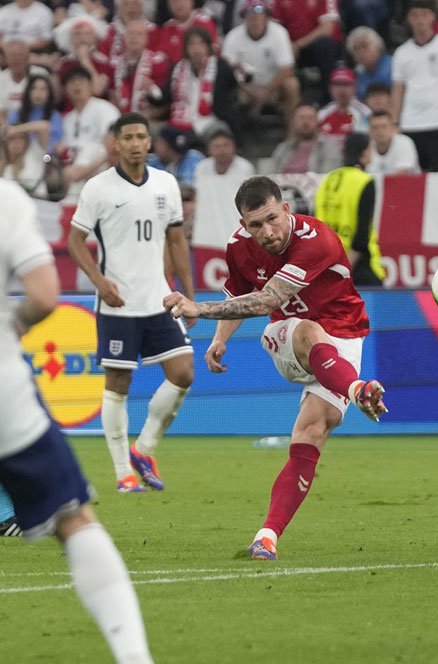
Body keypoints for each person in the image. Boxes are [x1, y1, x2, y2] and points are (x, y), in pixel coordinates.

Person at [162, 175, 388, 560]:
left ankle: (266, 536)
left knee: (314, 430)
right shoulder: (239, 248)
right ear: (242, 225)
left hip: (346, 336)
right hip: (287, 337)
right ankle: (358, 390)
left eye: (271, 219)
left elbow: (267, 297)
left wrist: (199, 308)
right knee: (308, 331)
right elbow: (244, 297)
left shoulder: (317, 240)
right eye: (255, 225)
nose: (266, 232)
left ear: (287, 209)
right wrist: (220, 338)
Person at [1, 177, 154, 664]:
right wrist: (11, 328)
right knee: (73, 519)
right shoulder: (7, 199)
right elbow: (46, 294)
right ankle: (133, 656)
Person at [66, 112, 195, 493]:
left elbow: (176, 241)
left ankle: (145, 449)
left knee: (184, 372)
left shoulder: (167, 184)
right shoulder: (98, 188)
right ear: (116, 144)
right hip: (118, 305)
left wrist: (188, 293)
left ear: (150, 142)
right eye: (128, 137)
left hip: (158, 300)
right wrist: (99, 281)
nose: (136, 143)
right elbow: (75, 241)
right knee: (117, 386)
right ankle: (123, 473)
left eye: (142, 136)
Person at [391, 0, 438, 172]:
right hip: (410, 123)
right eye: (415, 15)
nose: (420, 20)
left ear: (432, 17)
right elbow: (398, 89)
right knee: (414, 173)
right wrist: (395, 120)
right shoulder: (402, 53)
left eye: (424, 15)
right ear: (409, 19)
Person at [314, 133, 385, 286]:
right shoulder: (364, 180)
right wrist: (344, 270)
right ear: (365, 152)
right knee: (381, 306)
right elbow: (361, 235)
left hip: (328, 262)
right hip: (357, 265)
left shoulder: (327, 180)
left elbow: (316, 224)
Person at [222, 0, 300, 123]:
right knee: (222, 85)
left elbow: (287, 69)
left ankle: (291, 135)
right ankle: (231, 132)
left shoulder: (280, 33)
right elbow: (226, 69)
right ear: (244, 16)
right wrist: (249, 91)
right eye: (250, 12)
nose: (254, 16)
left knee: (291, 84)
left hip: (273, 86)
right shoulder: (233, 36)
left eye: (259, 12)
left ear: (266, 16)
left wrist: (266, 90)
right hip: (243, 88)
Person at [165, 26, 241, 138]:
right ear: (186, 48)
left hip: (213, 120)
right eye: (192, 44)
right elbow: (165, 94)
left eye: (201, 44)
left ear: (208, 47)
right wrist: (151, 90)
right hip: (183, 119)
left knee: (219, 132)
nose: (197, 49)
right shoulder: (178, 69)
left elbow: (233, 84)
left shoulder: (221, 67)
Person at [192, 126, 255, 258]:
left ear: (234, 147)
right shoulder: (201, 168)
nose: (222, 149)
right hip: (207, 235)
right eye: (217, 146)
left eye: (226, 145)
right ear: (209, 149)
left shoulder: (245, 168)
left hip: (237, 231)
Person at [110, 18, 171, 117]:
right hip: (119, 117)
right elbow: (111, 95)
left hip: (148, 118)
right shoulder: (114, 64)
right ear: (124, 38)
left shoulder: (157, 62)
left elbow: (165, 99)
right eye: (131, 33)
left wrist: (152, 90)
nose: (135, 38)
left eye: (139, 34)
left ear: (146, 39)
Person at [61, 67, 121, 165]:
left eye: (81, 81)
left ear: (90, 85)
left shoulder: (105, 108)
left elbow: (112, 143)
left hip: (100, 165)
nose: (76, 85)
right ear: (65, 89)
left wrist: (85, 170)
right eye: (72, 82)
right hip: (74, 166)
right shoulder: (67, 119)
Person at [270, 104, 341, 175]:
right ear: (294, 122)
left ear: (317, 122)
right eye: (301, 117)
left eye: (310, 118)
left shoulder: (329, 146)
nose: (306, 121)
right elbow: (272, 175)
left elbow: (328, 176)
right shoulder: (283, 148)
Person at [7, 74, 62, 156]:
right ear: (28, 91)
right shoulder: (15, 113)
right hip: (18, 156)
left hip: (44, 158)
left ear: (49, 94)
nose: (38, 93)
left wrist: (15, 129)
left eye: (43, 89)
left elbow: (52, 143)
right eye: (34, 88)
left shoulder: (55, 116)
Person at [317, 67, 371, 147]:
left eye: (346, 84)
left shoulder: (362, 113)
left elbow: (362, 139)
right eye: (337, 84)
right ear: (330, 88)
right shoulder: (323, 113)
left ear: (354, 88)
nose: (341, 90)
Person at [159, 0, 218, 66]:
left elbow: (213, 51)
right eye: (174, 1)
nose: (179, 4)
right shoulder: (168, 27)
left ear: (192, 1)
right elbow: (162, 56)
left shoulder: (204, 22)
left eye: (183, 1)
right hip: (175, 72)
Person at [367, 109, 421, 175]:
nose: (379, 131)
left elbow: (402, 174)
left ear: (392, 128)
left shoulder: (404, 142)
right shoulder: (366, 147)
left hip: (408, 184)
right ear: (369, 130)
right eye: (375, 127)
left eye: (384, 126)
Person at [346, 26, 392, 102]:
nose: (360, 52)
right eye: (356, 49)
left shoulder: (394, 67)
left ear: (378, 47)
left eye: (365, 46)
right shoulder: (358, 76)